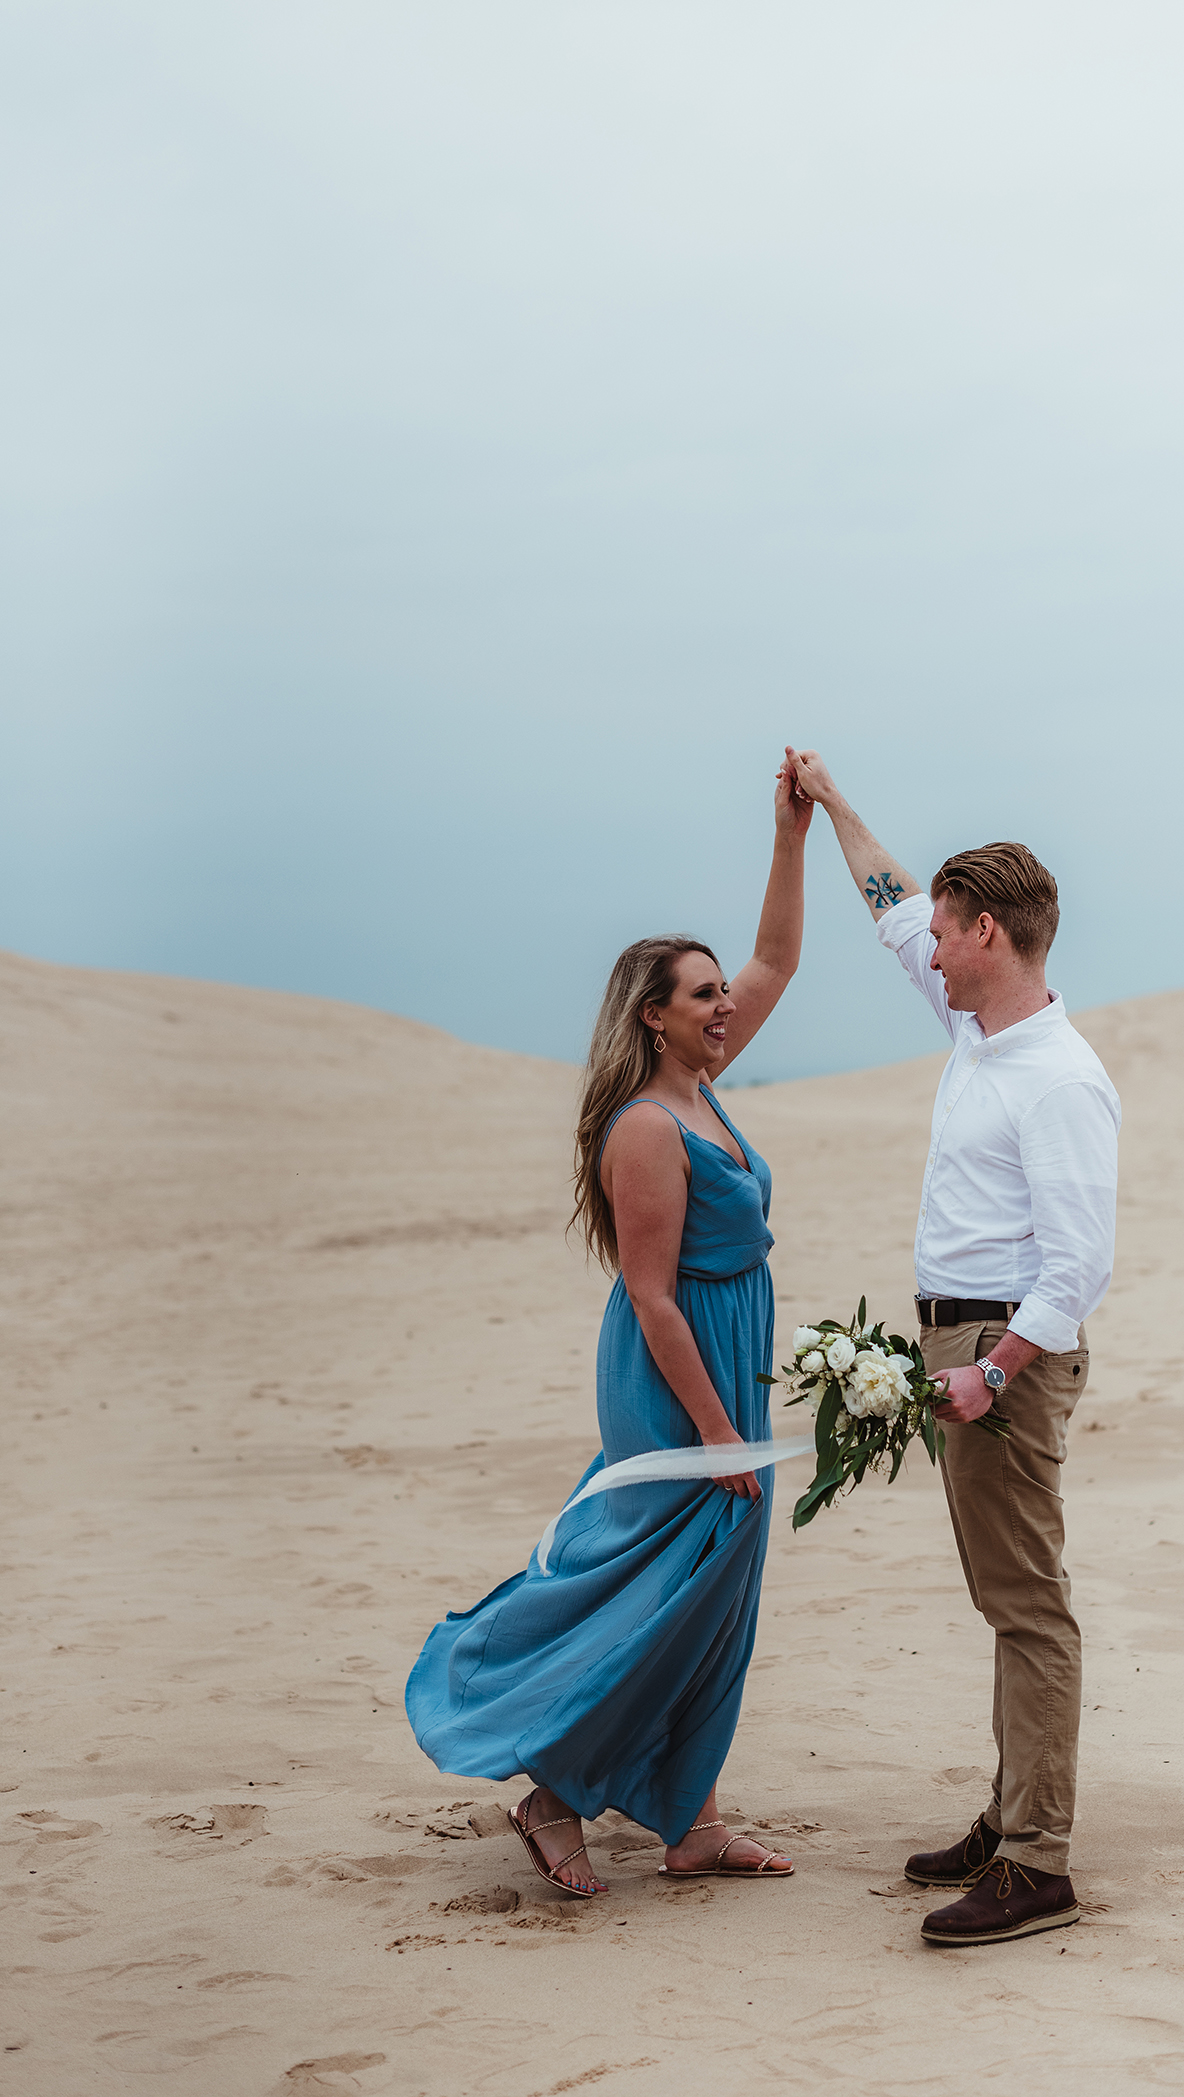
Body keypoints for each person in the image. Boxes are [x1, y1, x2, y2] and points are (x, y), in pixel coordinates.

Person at [405, 763, 812, 1896]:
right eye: (700, 996)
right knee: (653, 1581)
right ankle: (549, 1792)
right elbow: (650, 1294)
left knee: (718, 1587)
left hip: (731, 1352)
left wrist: (788, 836)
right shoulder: (645, 1123)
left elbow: (776, 959)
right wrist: (718, 1427)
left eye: (720, 994)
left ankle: (689, 1823)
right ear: (653, 1015)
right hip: (676, 1369)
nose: (724, 1004)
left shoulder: (705, 1085)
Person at [785, 746, 1120, 1947]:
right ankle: (1008, 1812)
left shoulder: (1058, 1079)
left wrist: (988, 1371)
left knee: (1027, 1603)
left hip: (1001, 1357)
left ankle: (1036, 1862)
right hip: (955, 1344)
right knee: (1001, 1594)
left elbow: (1076, 1265)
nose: (921, 944)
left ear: (984, 930)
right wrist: (832, 809)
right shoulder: (973, 1020)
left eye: (941, 928)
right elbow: (883, 905)